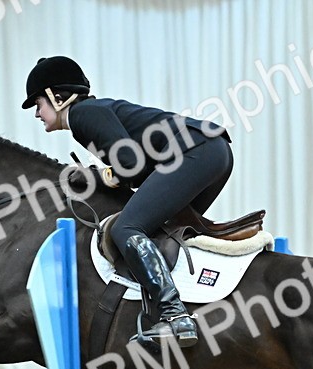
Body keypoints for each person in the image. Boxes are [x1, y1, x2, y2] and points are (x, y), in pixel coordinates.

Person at [23, 55, 234, 348]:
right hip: (214, 151)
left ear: (56, 97)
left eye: (37, 104)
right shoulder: (93, 111)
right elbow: (139, 170)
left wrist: (94, 176)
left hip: (197, 151)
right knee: (164, 233)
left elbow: (130, 167)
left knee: (126, 229)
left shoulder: (83, 115)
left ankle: (175, 316)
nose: (37, 114)